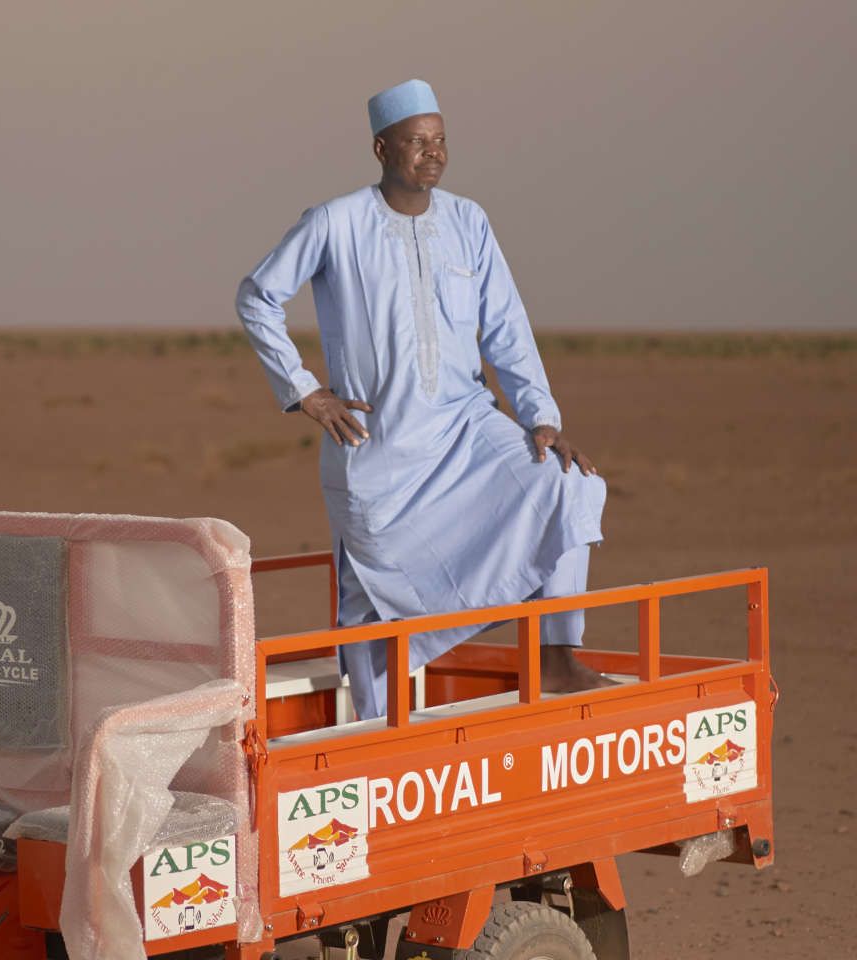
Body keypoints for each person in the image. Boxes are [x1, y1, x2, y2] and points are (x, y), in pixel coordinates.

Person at [236, 79, 613, 720]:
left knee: (567, 483)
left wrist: (541, 418)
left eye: (440, 140)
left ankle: (556, 654)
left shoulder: (469, 221)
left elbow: (507, 329)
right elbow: (258, 297)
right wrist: (306, 391)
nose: (432, 152)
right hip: (378, 444)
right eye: (417, 141)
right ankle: (378, 733)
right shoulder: (336, 222)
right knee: (372, 601)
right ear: (383, 148)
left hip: (466, 425)